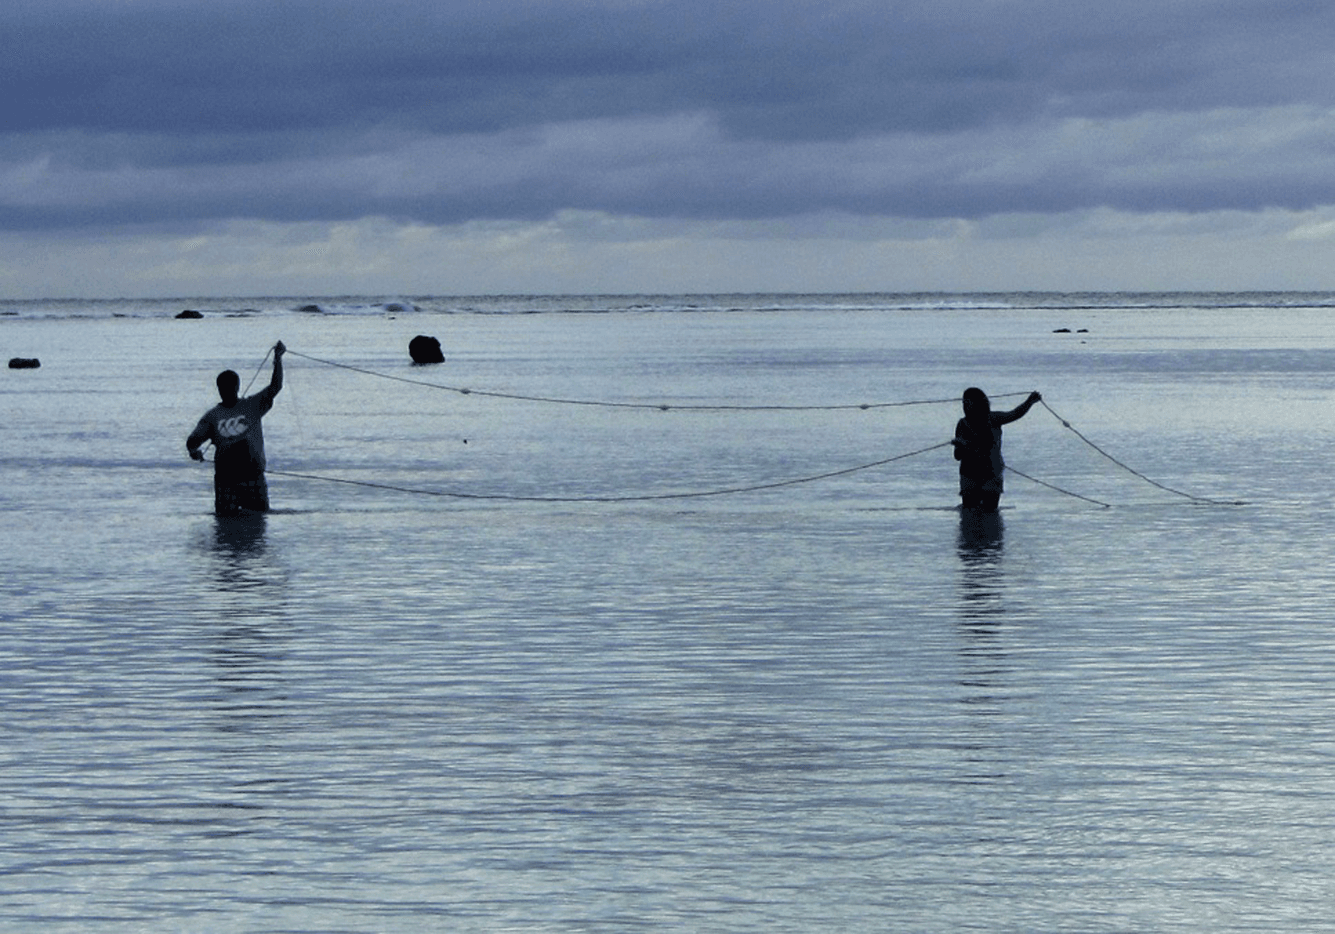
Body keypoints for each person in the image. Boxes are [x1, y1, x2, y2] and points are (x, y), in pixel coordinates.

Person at [187, 342, 285, 516]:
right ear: (219, 389)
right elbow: (192, 440)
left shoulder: (252, 405)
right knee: (229, 525)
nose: (227, 391)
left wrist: (277, 358)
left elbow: (275, 386)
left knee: (256, 523)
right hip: (227, 481)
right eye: (224, 388)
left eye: (229, 387)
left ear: (237, 387)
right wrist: (194, 451)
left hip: (253, 477)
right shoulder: (212, 417)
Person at [952, 387, 1041, 512]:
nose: (965, 406)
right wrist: (960, 445)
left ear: (979, 403)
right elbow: (957, 456)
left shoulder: (994, 418)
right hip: (969, 475)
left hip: (992, 474)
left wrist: (1029, 402)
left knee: (990, 512)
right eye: (963, 403)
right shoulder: (962, 424)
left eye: (967, 402)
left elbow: (1015, 414)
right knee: (969, 513)